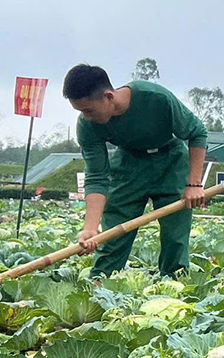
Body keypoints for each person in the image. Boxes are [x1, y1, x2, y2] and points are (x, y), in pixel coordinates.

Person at [64, 64, 208, 277]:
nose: (86, 117)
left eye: (88, 110)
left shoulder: (155, 98)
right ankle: (100, 285)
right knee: (113, 234)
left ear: (109, 97)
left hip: (172, 161)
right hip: (129, 164)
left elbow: (197, 132)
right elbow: (96, 176)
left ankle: (175, 283)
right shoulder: (88, 126)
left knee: (175, 237)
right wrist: (90, 229)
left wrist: (194, 184)